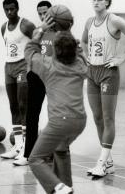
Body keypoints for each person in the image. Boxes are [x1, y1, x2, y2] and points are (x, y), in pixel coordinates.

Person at [81, 0, 125, 177]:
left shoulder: (114, 20)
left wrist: (122, 58)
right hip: (92, 73)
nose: (96, 2)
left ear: (107, 1)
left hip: (108, 73)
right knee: (97, 118)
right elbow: (83, 42)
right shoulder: (89, 21)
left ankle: (101, 162)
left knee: (108, 118)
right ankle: (109, 162)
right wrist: (86, 56)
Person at [26, 30, 87, 194]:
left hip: (60, 121)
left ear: (55, 49)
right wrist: (76, 45)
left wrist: (37, 36)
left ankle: (58, 187)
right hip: (80, 121)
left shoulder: (47, 66)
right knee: (61, 149)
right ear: (74, 49)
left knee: (35, 159)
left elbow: (30, 54)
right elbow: (81, 55)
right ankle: (67, 187)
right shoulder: (81, 66)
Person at [14, 3, 73, 167]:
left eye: (46, 13)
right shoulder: (37, 32)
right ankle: (28, 154)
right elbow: (31, 50)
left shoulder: (63, 34)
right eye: (40, 14)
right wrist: (42, 28)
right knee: (32, 115)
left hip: (55, 77)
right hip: (36, 76)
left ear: (53, 14)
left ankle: (59, 152)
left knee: (58, 115)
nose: (42, 16)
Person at [0, 0, 35, 160]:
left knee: (23, 105)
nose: (9, 12)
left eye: (12, 9)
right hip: (9, 67)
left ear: (17, 8)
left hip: (23, 66)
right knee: (13, 105)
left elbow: (39, 42)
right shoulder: (3, 27)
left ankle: (27, 147)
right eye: (6, 9)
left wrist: (34, 63)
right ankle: (18, 145)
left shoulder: (26, 25)